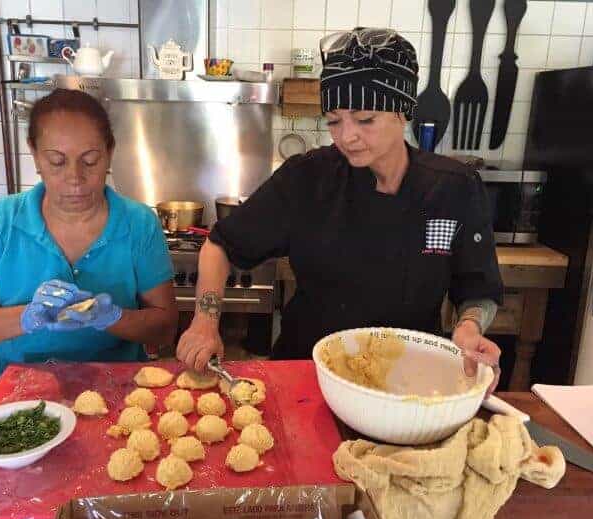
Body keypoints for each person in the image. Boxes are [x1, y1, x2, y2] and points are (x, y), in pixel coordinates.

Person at [176, 28, 503, 393]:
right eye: (333, 120)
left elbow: (478, 290)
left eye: (365, 119)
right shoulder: (307, 178)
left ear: (403, 112)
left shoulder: (453, 187)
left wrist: (469, 327)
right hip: (307, 375)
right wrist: (205, 322)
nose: (346, 136)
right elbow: (220, 245)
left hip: (408, 383)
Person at [0, 89, 178, 377]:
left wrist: (110, 317)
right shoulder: (1, 221)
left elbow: (165, 330)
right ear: (35, 156)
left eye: (89, 160)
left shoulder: (139, 223)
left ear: (110, 153)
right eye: (57, 161)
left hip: (119, 394)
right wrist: (26, 318)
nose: (75, 178)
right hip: (22, 396)